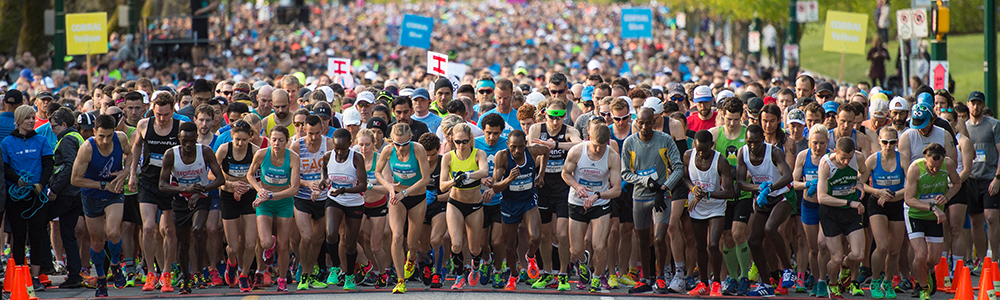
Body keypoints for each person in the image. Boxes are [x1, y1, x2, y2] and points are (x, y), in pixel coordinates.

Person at [157, 122, 225, 294]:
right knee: (183, 243)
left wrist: (201, 190)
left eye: (191, 141)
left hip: (201, 196)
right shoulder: (170, 155)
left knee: (198, 229)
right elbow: (162, 185)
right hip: (180, 199)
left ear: (196, 138)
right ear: (179, 139)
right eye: (184, 141)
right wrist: (184, 189)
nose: (188, 145)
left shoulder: (205, 151)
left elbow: (220, 179)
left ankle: (200, 272)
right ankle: (186, 278)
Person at [69, 113, 131, 296]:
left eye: (109, 136)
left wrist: (126, 170)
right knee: (97, 241)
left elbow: (131, 153)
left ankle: (115, 265)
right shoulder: (87, 148)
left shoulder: (121, 139)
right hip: (92, 195)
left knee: (112, 231)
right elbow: (75, 179)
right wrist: (103, 185)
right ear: (94, 132)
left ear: (114, 132)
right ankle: (101, 278)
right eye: (101, 136)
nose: (104, 141)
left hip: (114, 194)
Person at [622, 108, 683, 294]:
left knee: (659, 238)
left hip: (661, 196)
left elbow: (678, 168)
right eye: (641, 123)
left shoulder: (664, 139)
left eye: (648, 123)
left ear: (654, 121)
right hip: (639, 196)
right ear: (636, 122)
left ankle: (661, 278)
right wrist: (644, 181)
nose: (644, 127)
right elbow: (625, 173)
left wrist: (664, 187)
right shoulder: (629, 143)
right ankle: (645, 279)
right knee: (642, 239)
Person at [527, 99, 582, 291]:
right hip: (542, 186)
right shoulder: (536, 128)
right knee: (544, 234)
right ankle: (547, 273)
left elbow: (579, 144)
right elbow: (530, 151)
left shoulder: (568, 130)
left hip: (563, 187)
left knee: (561, 234)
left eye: (559, 118)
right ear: (545, 114)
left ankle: (564, 274)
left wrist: (555, 144)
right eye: (552, 117)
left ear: (564, 117)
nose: (555, 122)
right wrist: (544, 151)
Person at [562, 118, 622, 292]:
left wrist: (597, 195)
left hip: (600, 203)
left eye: (602, 146)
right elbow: (565, 173)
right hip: (577, 201)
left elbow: (617, 189)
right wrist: (577, 186)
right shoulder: (576, 151)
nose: (597, 149)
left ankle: (596, 277)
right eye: (595, 145)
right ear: (588, 137)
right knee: (575, 249)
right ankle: (582, 262)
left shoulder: (612, 156)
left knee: (599, 245)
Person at [128, 94, 181, 293]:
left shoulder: (179, 127)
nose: (162, 118)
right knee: (148, 228)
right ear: (152, 109)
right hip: (149, 181)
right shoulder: (144, 125)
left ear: (172, 111)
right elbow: (137, 147)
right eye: (158, 114)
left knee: (168, 230)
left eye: (166, 114)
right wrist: (133, 173)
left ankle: (167, 272)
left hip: (170, 183)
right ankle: (151, 272)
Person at [735, 124, 795, 297]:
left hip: (783, 195)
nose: (752, 146)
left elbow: (787, 176)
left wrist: (770, 188)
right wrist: (758, 188)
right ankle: (766, 284)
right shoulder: (743, 153)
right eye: (749, 142)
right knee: (754, 240)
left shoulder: (774, 152)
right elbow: (740, 182)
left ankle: (787, 269)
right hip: (764, 197)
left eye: (756, 142)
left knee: (770, 228)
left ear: (763, 139)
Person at [373, 123, 432, 294]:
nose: (400, 148)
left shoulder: (418, 149)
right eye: (397, 144)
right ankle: (400, 280)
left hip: (416, 196)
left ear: (410, 140)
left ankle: (412, 259)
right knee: (397, 236)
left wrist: (404, 192)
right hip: (397, 197)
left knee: (412, 243)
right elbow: (377, 173)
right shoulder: (388, 150)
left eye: (404, 144)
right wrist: (389, 186)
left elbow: (425, 179)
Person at [491, 129, 549, 290]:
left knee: (536, 236)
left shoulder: (532, 151)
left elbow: (546, 151)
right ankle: (513, 275)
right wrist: (509, 178)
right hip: (509, 203)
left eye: (520, 147)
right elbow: (495, 187)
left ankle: (530, 257)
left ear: (526, 145)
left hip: (528, 200)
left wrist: (541, 174)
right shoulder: (502, 156)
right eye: (513, 147)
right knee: (509, 245)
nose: (517, 151)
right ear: (508, 145)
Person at [245, 126, 301, 292]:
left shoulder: (293, 157)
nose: (277, 143)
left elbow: (294, 189)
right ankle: (270, 248)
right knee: (266, 242)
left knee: (283, 246)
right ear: (269, 139)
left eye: (281, 140)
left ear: (287, 141)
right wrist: (259, 190)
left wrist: (270, 195)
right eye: (274, 139)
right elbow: (250, 175)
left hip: (284, 202)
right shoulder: (262, 154)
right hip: (265, 202)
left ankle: (282, 279)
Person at [903, 143, 960, 300]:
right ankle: (922, 288)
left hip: (934, 215)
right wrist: (932, 207)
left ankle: (926, 272)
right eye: (931, 167)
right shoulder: (915, 168)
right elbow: (908, 199)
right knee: (920, 254)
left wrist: (947, 197)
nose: (935, 170)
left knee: (934, 258)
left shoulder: (948, 164)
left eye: (938, 166)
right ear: (925, 159)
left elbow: (957, 183)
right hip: (915, 214)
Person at [683, 130, 736, 296]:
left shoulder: (721, 161)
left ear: (711, 146)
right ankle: (703, 283)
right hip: (696, 207)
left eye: (704, 151)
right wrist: (693, 188)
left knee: (713, 244)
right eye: (698, 150)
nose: (701, 154)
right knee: (699, 246)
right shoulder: (688, 156)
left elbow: (730, 192)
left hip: (716, 206)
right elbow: (684, 178)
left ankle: (717, 282)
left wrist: (707, 194)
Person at [816, 137, 870, 298]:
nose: (846, 162)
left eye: (849, 158)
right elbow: (821, 197)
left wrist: (860, 183)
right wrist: (849, 202)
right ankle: (832, 283)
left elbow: (865, 171)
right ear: (835, 152)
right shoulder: (826, 164)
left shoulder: (858, 157)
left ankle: (846, 266)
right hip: (831, 212)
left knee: (859, 255)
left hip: (851, 212)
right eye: (842, 158)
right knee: (836, 257)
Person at [439, 122, 490, 289]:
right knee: (456, 244)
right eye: (457, 142)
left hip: (475, 204)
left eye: (464, 142)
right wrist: (455, 180)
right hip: (455, 203)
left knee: (476, 248)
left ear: (470, 140)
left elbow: (484, 171)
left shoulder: (478, 154)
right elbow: (442, 185)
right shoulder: (448, 157)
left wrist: (468, 175)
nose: (461, 145)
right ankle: (459, 276)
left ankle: (475, 266)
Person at [288, 115, 334, 290]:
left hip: (322, 196)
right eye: (310, 133)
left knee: (318, 239)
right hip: (302, 196)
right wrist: (308, 184)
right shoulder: (296, 146)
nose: (314, 137)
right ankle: (304, 272)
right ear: (304, 130)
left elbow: (331, 172)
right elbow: (291, 176)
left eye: (317, 133)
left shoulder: (328, 144)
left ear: (322, 128)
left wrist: (323, 184)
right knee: (306, 237)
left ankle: (309, 273)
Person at [214, 120, 260, 292]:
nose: (240, 144)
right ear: (232, 136)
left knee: (250, 243)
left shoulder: (255, 152)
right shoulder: (225, 149)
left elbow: (260, 178)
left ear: (250, 137)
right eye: (237, 140)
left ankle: (244, 274)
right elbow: (213, 175)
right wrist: (230, 185)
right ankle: (231, 263)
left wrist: (247, 187)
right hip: (228, 195)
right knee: (233, 247)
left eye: (244, 140)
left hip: (248, 195)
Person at [323, 128, 368, 291]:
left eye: (343, 149)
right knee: (331, 232)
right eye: (337, 149)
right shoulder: (328, 156)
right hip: (334, 198)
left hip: (354, 201)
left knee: (350, 243)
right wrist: (323, 181)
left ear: (350, 144)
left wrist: (344, 190)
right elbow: (325, 172)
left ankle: (349, 275)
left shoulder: (356, 158)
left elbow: (364, 185)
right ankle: (335, 267)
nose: (340, 152)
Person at [46, 108, 86, 290]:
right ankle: (74, 275)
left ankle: (45, 265)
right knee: (68, 235)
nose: (52, 130)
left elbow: (68, 166)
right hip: (76, 192)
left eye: (54, 126)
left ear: (64, 125)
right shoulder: (77, 137)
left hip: (67, 193)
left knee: (39, 222)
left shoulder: (68, 139)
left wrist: (54, 188)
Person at [864, 127, 905, 299]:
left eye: (892, 142)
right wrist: (878, 192)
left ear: (897, 142)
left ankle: (887, 282)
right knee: (881, 246)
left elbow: (910, 187)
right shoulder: (873, 160)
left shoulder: (902, 159)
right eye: (885, 142)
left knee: (894, 250)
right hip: (877, 203)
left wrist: (893, 195)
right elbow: (861, 184)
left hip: (896, 204)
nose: (888, 146)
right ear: (879, 141)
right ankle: (874, 279)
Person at [963, 91, 1000, 267]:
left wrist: (997, 177)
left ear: (983, 105)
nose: (975, 106)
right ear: (968, 104)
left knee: (991, 217)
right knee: (975, 220)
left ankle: (994, 259)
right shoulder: (964, 127)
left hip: (990, 178)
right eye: (973, 103)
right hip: (971, 178)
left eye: (979, 103)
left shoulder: (994, 125)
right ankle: (983, 260)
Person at [792, 124, 830, 297]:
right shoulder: (802, 156)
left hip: (827, 206)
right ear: (809, 142)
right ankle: (816, 281)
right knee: (813, 248)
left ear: (827, 143)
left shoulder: (831, 157)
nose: (818, 147)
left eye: (822, 143)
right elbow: (794, 182)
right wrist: (808, 184)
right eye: (815, 143)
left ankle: (824, 280)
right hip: (809, 206)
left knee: (823, 245)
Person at [473, 113, 509, 288]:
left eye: (495, 133)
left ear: (501, 132)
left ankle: (498, 271)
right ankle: (486, 263)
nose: (491, 137)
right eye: (488, 133)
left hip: (500, 200)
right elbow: (467, 170)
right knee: (482, 245)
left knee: (497, 241)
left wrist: (496, 184)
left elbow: (512, 173)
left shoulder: (507, 145)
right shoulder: (475, 144)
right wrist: (480, 179)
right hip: (479, 201)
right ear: (483, 131)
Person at [354, 128, 391, 288]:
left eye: (367, 144)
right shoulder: (354, 160)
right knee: (349, 240)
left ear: (373, 144)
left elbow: (389, 187)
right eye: (361, 144)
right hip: (360, 205)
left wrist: (370, 187)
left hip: (378, 206)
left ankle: (383, 273)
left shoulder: (380, 160)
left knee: (376, 246)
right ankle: (366, 265)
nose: (364, 148)